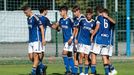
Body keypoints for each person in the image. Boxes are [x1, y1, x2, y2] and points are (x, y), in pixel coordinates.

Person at [22, 6, 45, 75]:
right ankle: (41, 66)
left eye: (26, 12)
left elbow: (41, 27)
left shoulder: (35, 18)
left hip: (36, 39)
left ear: (29, 10)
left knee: (36, 55)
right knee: (31, 57)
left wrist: (43, 39)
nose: (25, 14)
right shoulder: (28, 18)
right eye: (24, 13)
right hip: (31, 40)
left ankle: (33, 72)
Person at [53, 6, 75, 75]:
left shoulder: (70, 20)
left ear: (65, 11)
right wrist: (56, 27)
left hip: (70, 40)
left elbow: (75, 30)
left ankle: (68, 70)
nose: (60, 13)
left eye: (61, 11)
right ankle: (73, 71)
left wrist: (71, 38)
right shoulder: (61, 20)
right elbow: (58, 29)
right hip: (65, 40)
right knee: (69, 55)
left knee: (64, 54)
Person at [90, 6, 112, 75]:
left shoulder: (98, 17)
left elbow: (97, 27)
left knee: (93, 54)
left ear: (98, 12)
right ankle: (107, 73)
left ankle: (93, 72)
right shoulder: (108, 19)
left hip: (99, 39)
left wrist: (92, 35)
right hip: (106, 39)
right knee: (104, 56)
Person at [102, 8, 117, 75]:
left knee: (104, 57)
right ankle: (112, 70)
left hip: (109, 42)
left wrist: (107, 17)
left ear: (106, 14)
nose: (102, 15)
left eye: (103, 13)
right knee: (106, 57)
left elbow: (114, 22)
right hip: (105, 41)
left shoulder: (109, 21)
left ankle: (109, 71)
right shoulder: (103, 20)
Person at [71, 5, 85, 75]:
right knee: (75, 55)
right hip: (76, 40)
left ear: (78, 11)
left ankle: (83, 71)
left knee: (82, 56)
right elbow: (74, 30)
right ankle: (76, 72)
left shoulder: (82, 18)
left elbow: (78, 30)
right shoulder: (75, 19)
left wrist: (75, 38)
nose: (74, 13)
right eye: (73, 12)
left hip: (81, 40)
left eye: (75, 12)